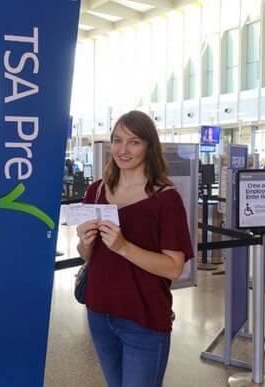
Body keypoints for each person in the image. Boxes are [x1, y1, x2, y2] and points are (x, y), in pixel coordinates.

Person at [76, 110, 194, 387]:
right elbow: (86, 256)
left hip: (144, 317)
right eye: (117, 140)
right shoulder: (96, 191)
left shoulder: (166, 199)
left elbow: (175, 267)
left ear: (149, 146)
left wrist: (124, 246)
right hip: (100, 312)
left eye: (134, 142)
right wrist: (85, 242)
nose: (122, 150)